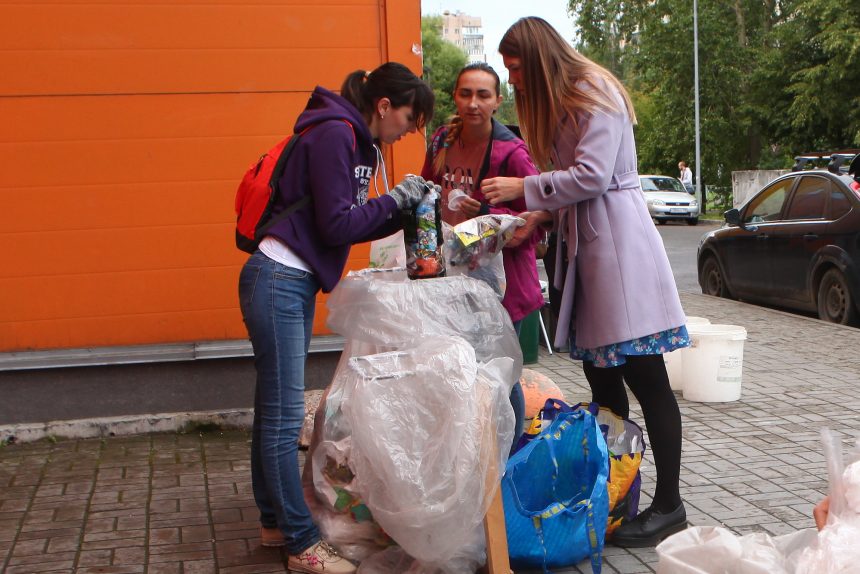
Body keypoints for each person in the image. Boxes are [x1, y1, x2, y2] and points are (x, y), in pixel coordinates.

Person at [481, 17, 690, 547]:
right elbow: (578, 185)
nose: (515, 80)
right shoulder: (569, 97)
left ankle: (670, 505)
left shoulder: (593, 90)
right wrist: (540, 217)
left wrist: (525, 189)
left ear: (539, 55)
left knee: (648, 380)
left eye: (516, 68)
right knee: (603, 385)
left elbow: (594, 176)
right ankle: (621, 489)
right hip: (593, 251)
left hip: (619, 253)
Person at [238, 62, 435, 574]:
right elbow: (335, 225)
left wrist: (402, 208)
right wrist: (393, 200)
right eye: (409, 119)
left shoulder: (354, 140)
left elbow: (349, 221)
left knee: (272, 413)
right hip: (279, 278)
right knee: (283, 422)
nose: (408, 132)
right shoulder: (333, 134)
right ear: (385, 105)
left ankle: (273, 522)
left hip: (288, 280)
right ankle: (303, 545)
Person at [420, 62, 544, 449]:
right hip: (450, 280)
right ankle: (471, 456)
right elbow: (426, 195)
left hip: (501, 287)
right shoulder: (442, 140)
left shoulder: (512, 152)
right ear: (455, 97)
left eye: (483, 95)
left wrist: (486, 219)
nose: (473, 103)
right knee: (459, 370)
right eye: (465, 93)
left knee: (500, 376)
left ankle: (508, 460)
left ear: (498, 101)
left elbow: (533, 223)